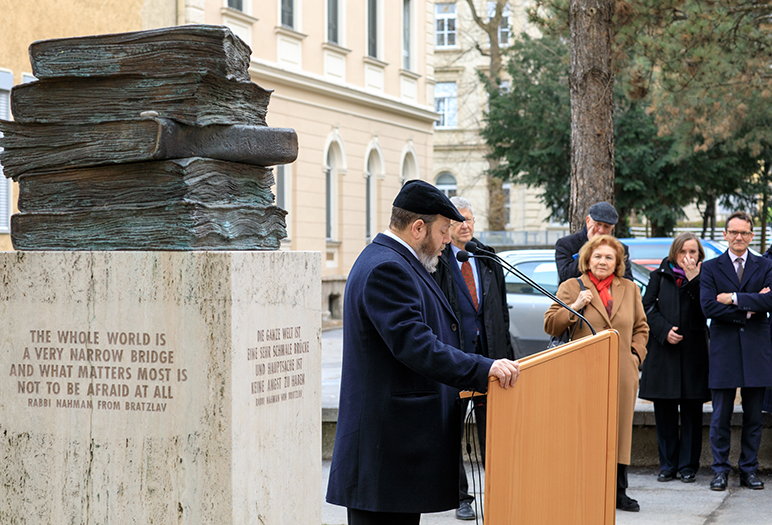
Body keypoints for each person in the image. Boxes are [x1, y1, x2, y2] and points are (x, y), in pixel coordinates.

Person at [326, 180, 520, 525]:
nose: (448, 240)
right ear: (418, 228)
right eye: (443, 231)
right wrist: (482, 368)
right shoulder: (387, 268)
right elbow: (417, 345)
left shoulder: (401, 261)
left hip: (394, 454)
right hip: (383, 454)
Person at [543, 234, 648, 512]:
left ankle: (619, 492)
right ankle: (583, 487)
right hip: (583, 371)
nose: (603, 261)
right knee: (585, 429)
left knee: (619, 430)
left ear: (617, 263)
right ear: (588, 259)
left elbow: (641, 328)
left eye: (609, 257)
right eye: (598, 256)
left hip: (622, 371)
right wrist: (575, 306)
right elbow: (550, 324)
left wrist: (634, 356)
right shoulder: (571, 286)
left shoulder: (630, 289)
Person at [432, 196, 514, 521]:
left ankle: (498, 490)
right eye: (458, 220)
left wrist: (506, 356)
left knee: (492, 430)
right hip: (455, 358)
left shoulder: (487, 258)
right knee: (453, 430)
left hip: (490, 358)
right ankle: (461, 497)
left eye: (469, 219)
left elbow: (501, 312)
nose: (465, 225)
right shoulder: (438, 261)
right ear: (448, 225)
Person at [700, 211, 772, 492]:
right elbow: (708, 306)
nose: (738, 237)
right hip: (724, 350)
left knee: (754, 417)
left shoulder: (765, 265)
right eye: (733, 232)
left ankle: (748, 469)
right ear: (725, 234)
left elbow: (771, 301)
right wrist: (750, 308)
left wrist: (733, 298)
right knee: (720, 416)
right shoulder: (711, 267)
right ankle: (719, 470)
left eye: (744, 232)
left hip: (756, 350)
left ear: (751, 236)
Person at [639, 233, 710, 483]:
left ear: (699, 255)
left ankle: (688, 466)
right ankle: (667, 465)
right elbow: (646, 308)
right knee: (665, 411)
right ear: (674, 253)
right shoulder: (659, 275)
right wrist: (663, 330)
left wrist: (693, 280)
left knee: (692, 411)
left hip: (693, 354)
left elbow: (706, 310)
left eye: (692, 252)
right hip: (664, 353)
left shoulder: (705, 277)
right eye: (683, 251)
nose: (687, 257)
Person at [554, 201, 633, 285]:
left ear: (612, 228)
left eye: (606, 227)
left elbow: (627, 282)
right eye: (598, 224)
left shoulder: (619, 248)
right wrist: (590, 246)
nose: (601, 230)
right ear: (588, 221)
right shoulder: (566, 244)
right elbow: (565, 276)